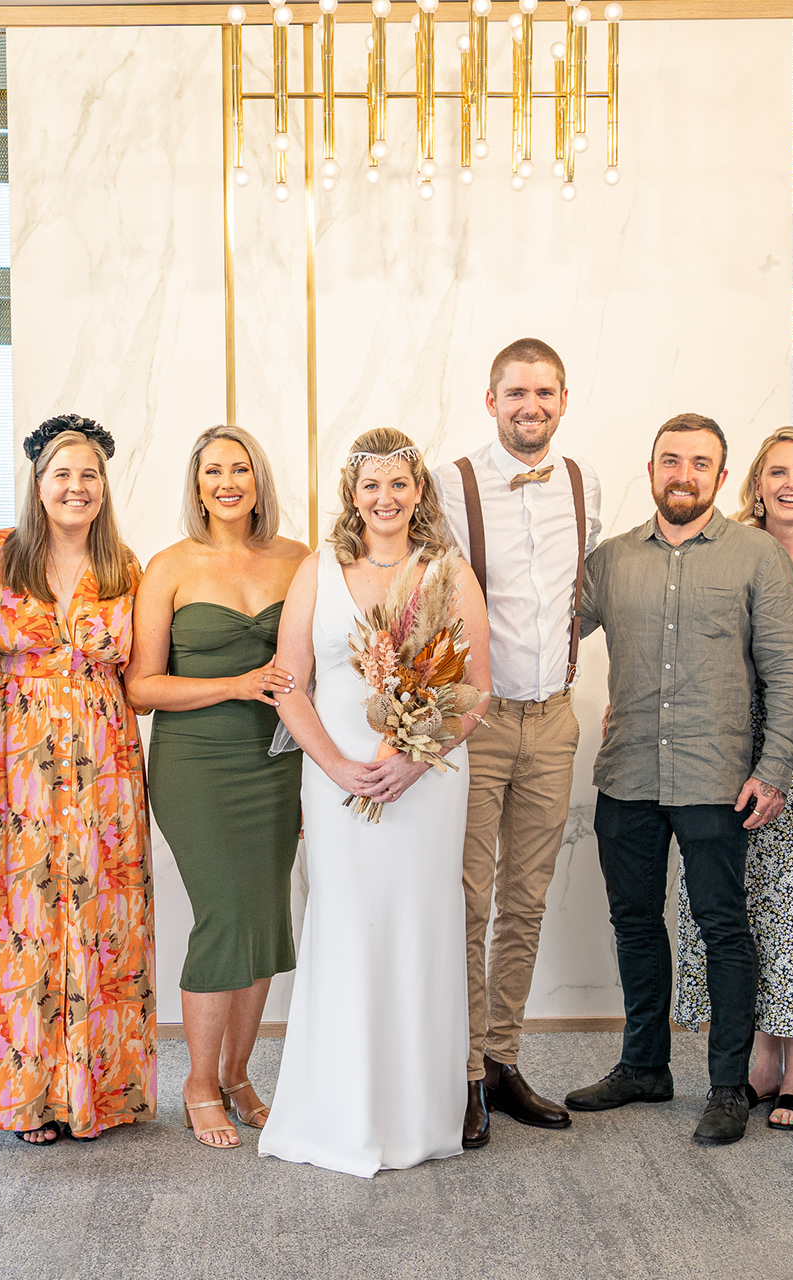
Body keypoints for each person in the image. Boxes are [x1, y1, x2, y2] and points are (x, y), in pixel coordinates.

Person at [565, 412, 793, 1148]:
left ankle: (728, 1086)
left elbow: (789, 669)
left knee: (722, 927)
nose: (683, 474)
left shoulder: (758, 557)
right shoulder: (610, 561)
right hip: (628, 772)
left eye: (700, 463)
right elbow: (546, 632)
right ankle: (644, 1066)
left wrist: (774, 770)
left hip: (716, 778)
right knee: (635, 923)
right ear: (650, 472)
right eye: (670, 460)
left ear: (721, 477)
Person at [259, 427, 491, 1178]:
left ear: (418, 491)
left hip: (426, 783)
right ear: (352, 494)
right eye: (371, 485)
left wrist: (415, 761)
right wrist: (333, 766)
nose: (385, 498)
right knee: (346, 925)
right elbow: (289, 683)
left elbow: (477, 691)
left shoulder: (448, 571)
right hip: (337, 783)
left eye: (399, 483)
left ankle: (417, 1116)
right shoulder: (317, 570)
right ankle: (339, 1111)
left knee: (419, 925)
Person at [0, 414, 155, 1144]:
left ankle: (100, 1089)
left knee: (102, 916)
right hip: (16, 763)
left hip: (105, 763)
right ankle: (29, 1096)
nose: (76, 487)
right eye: (62, 474)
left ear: (104, 487)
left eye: (89, 475)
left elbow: (143, 674)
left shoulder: (125, 566)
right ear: (38, 484)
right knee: (23, 921)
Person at [670, 427, 793, 1133]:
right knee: (742, 901)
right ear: (756, 483)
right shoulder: (729, 548)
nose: (791, 484)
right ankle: (756, 1061)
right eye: (777, 471)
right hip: (732, 735)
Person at [434, 338, 601, 1149]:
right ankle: (465, 1070)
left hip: (556, 717)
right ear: (490, 400)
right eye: (515, 393)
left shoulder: (584, 482)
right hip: (478, 721)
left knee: (526, 902)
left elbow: (576, 598)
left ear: (563, 400)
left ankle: (503, 1060)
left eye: (544, 393)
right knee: (469, 901)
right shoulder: (449, 483)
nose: (530, 406)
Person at [126, 426, 309, 1149]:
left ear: (258, 480)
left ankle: (237, 1075)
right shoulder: (169, 567)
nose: (227, 482)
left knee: (264, 918)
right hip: (197, 767)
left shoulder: (299, 560)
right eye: (213, 471)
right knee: (225, 917)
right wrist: (236, 683)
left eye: (239, 469)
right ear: (197, 485)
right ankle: (198, 1083)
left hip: (279, 762)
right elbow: (141, 688)